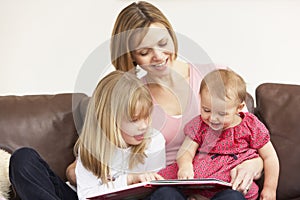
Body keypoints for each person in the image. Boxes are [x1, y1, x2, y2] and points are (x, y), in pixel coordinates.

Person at [107, 1, 264, 198]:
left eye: (163, 43)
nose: (158, 56)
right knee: (166, 195)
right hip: (169, 187)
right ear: (131, 57)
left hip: (220, 185)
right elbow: (90, 161)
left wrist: (254, 164)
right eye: (144, 52)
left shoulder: (216, 75)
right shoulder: (131, 97)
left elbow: (252, 137)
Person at [169, 69, 279, 200]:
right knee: (165, 192)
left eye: (222, 113)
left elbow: (270, 157)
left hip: (230, 190)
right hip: (197, 189)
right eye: (207, 110)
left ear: (239, 108)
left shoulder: (250, 125)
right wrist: (185, 165)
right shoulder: (200, 125)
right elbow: (186, 151)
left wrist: (269, 188)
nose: (213, 118)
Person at [75, 70, 181, 199]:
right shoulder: (91, 149)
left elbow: (156, 190)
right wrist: (128, 180)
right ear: (110, 120)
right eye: (134, 120)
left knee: (167, 193)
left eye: (146, 116)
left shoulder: (154, 141)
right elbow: (85, 196)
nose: (143, 126)